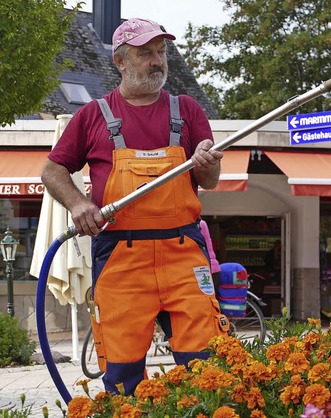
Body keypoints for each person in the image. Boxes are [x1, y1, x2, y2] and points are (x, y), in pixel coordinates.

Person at [41, 17, 229, 395]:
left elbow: (208, 181)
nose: (158, 60)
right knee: (123, 378)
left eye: (161, 52)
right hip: (121, 260)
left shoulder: (187, 109)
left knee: (209, 371)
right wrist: (78, 203)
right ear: (121, 62)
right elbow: (53, 170)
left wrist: (210, 164)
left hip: (184, 254)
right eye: (146, 54)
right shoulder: (93, 115)